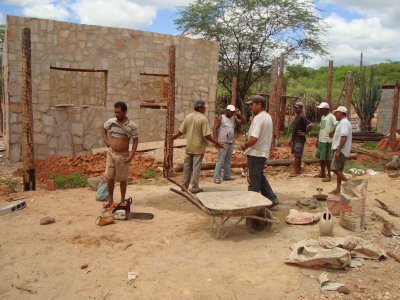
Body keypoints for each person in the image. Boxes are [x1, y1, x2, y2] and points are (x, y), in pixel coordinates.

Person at [172, 100, 224, 193]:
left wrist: (174, 137)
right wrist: (217, 143)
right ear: (200, 108)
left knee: (187, 166)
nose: (205, 108)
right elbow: (207, 135)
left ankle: (184, 186)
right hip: (198, 147)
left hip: (189, 146)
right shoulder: (203, 119)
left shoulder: (188, 116)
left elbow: (181, 131)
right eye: (204, 107)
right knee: (196, 167)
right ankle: (195, 187)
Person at [241, 95, 278, 208]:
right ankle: (271, 198)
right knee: (259, 177)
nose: (250, 107)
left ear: (259, 105)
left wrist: (245, 145)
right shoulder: (267, 117)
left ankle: (253, 205)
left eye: (252, 104)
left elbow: (254, 138)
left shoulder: (259, 118)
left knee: (254, 181)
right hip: (262, 152)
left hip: (255, 153)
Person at [102, 101, 139, 208]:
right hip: (111, 153)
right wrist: (106, 141)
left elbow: (136, 141)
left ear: (125, 112)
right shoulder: (111, 122)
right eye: (115, 112)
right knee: (109, 177)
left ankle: (122, 200)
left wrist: (131, 156)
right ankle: (110, 200)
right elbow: (104, 128)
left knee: (122, 179)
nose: (116, 115)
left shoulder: (131, 126)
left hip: (123, 155)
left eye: (119, 112)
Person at [213, 104, 245, 184]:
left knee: (228, 160)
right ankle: (217, 177)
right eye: (230, 112)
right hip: (222, 142)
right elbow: (214, 128)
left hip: (230, 142)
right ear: (227, 110)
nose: (231, 113)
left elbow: (243, 122)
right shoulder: (221, 117)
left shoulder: (233, 118)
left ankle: (227, 176)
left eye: (233, 112)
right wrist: (216, 141)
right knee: (220, 160)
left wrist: (240, 115)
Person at [330, 106, 352, 194]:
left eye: (336, 113)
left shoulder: (344, 123)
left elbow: (344, 136)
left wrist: (338, 150)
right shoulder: (342, 122)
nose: (335, 115)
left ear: (342, 113)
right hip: (340, 149)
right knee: (339, 169)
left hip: (341, 150)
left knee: (334, 169)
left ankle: (350, 185)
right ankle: (338, 189)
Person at [289, 102, 313, 177]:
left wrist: (305, 133)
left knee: (297, 155)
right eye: (294, 108)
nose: (295, 109)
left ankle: (295, 171)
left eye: (297, 108)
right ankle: (298, 170)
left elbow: (311, 125)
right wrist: (291, 139)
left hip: (299, 139)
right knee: (297, 155)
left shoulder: (302, 116)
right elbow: (294, 129)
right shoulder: (297, 116)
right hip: (295, 139)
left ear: (300, 108)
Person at [315, 102, 337, 182]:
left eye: (321, 109)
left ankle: (329, 175)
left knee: (328, 158)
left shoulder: (331, 117)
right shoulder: (323, 117)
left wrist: (333, 132)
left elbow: (337, 125)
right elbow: (321, 128)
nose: (320, 110)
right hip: (322, 140)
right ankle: (322, 173)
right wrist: (318, 139)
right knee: (321, 158)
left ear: (326, 109)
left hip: (328, 141)